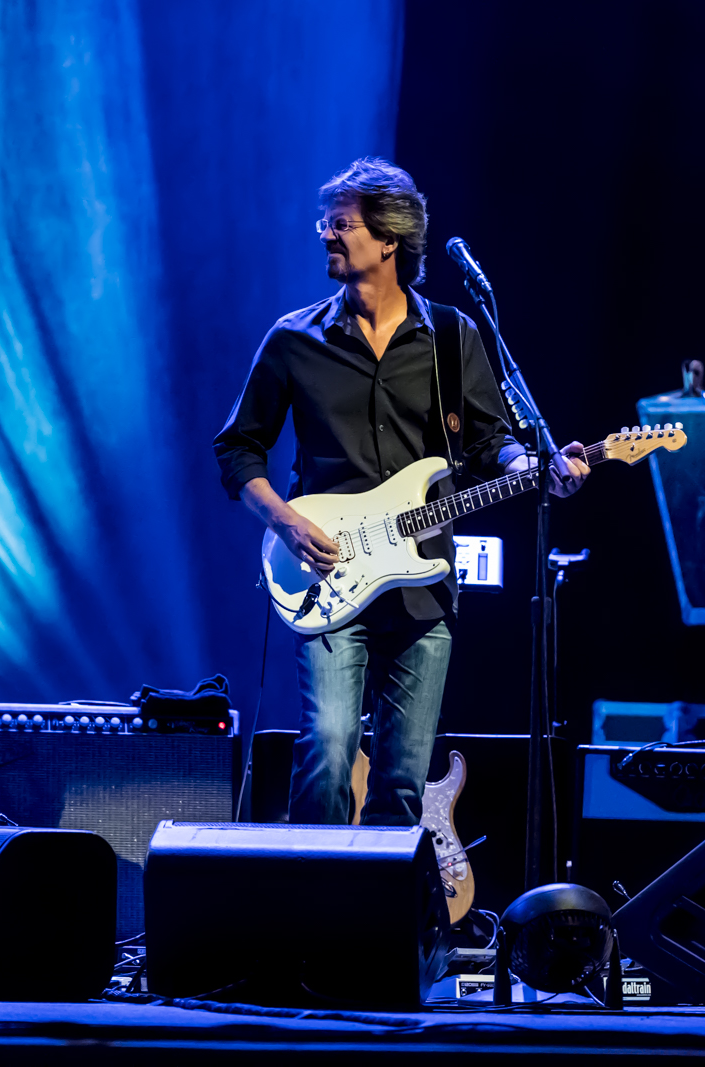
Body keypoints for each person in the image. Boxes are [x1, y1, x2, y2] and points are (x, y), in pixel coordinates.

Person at [214, 158, 590, 827]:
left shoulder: (452, 335)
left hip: (424, 590)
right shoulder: (294, 339)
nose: (326, 234)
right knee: (328, 749)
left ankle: (385, 899)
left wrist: (534, 465)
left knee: (403, 783)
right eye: (327, 223)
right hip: (325, 577)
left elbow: (490, 442)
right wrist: (286, 522)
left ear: (389, 239)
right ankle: (309, 893)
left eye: (342, 224)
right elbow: (237, 449)